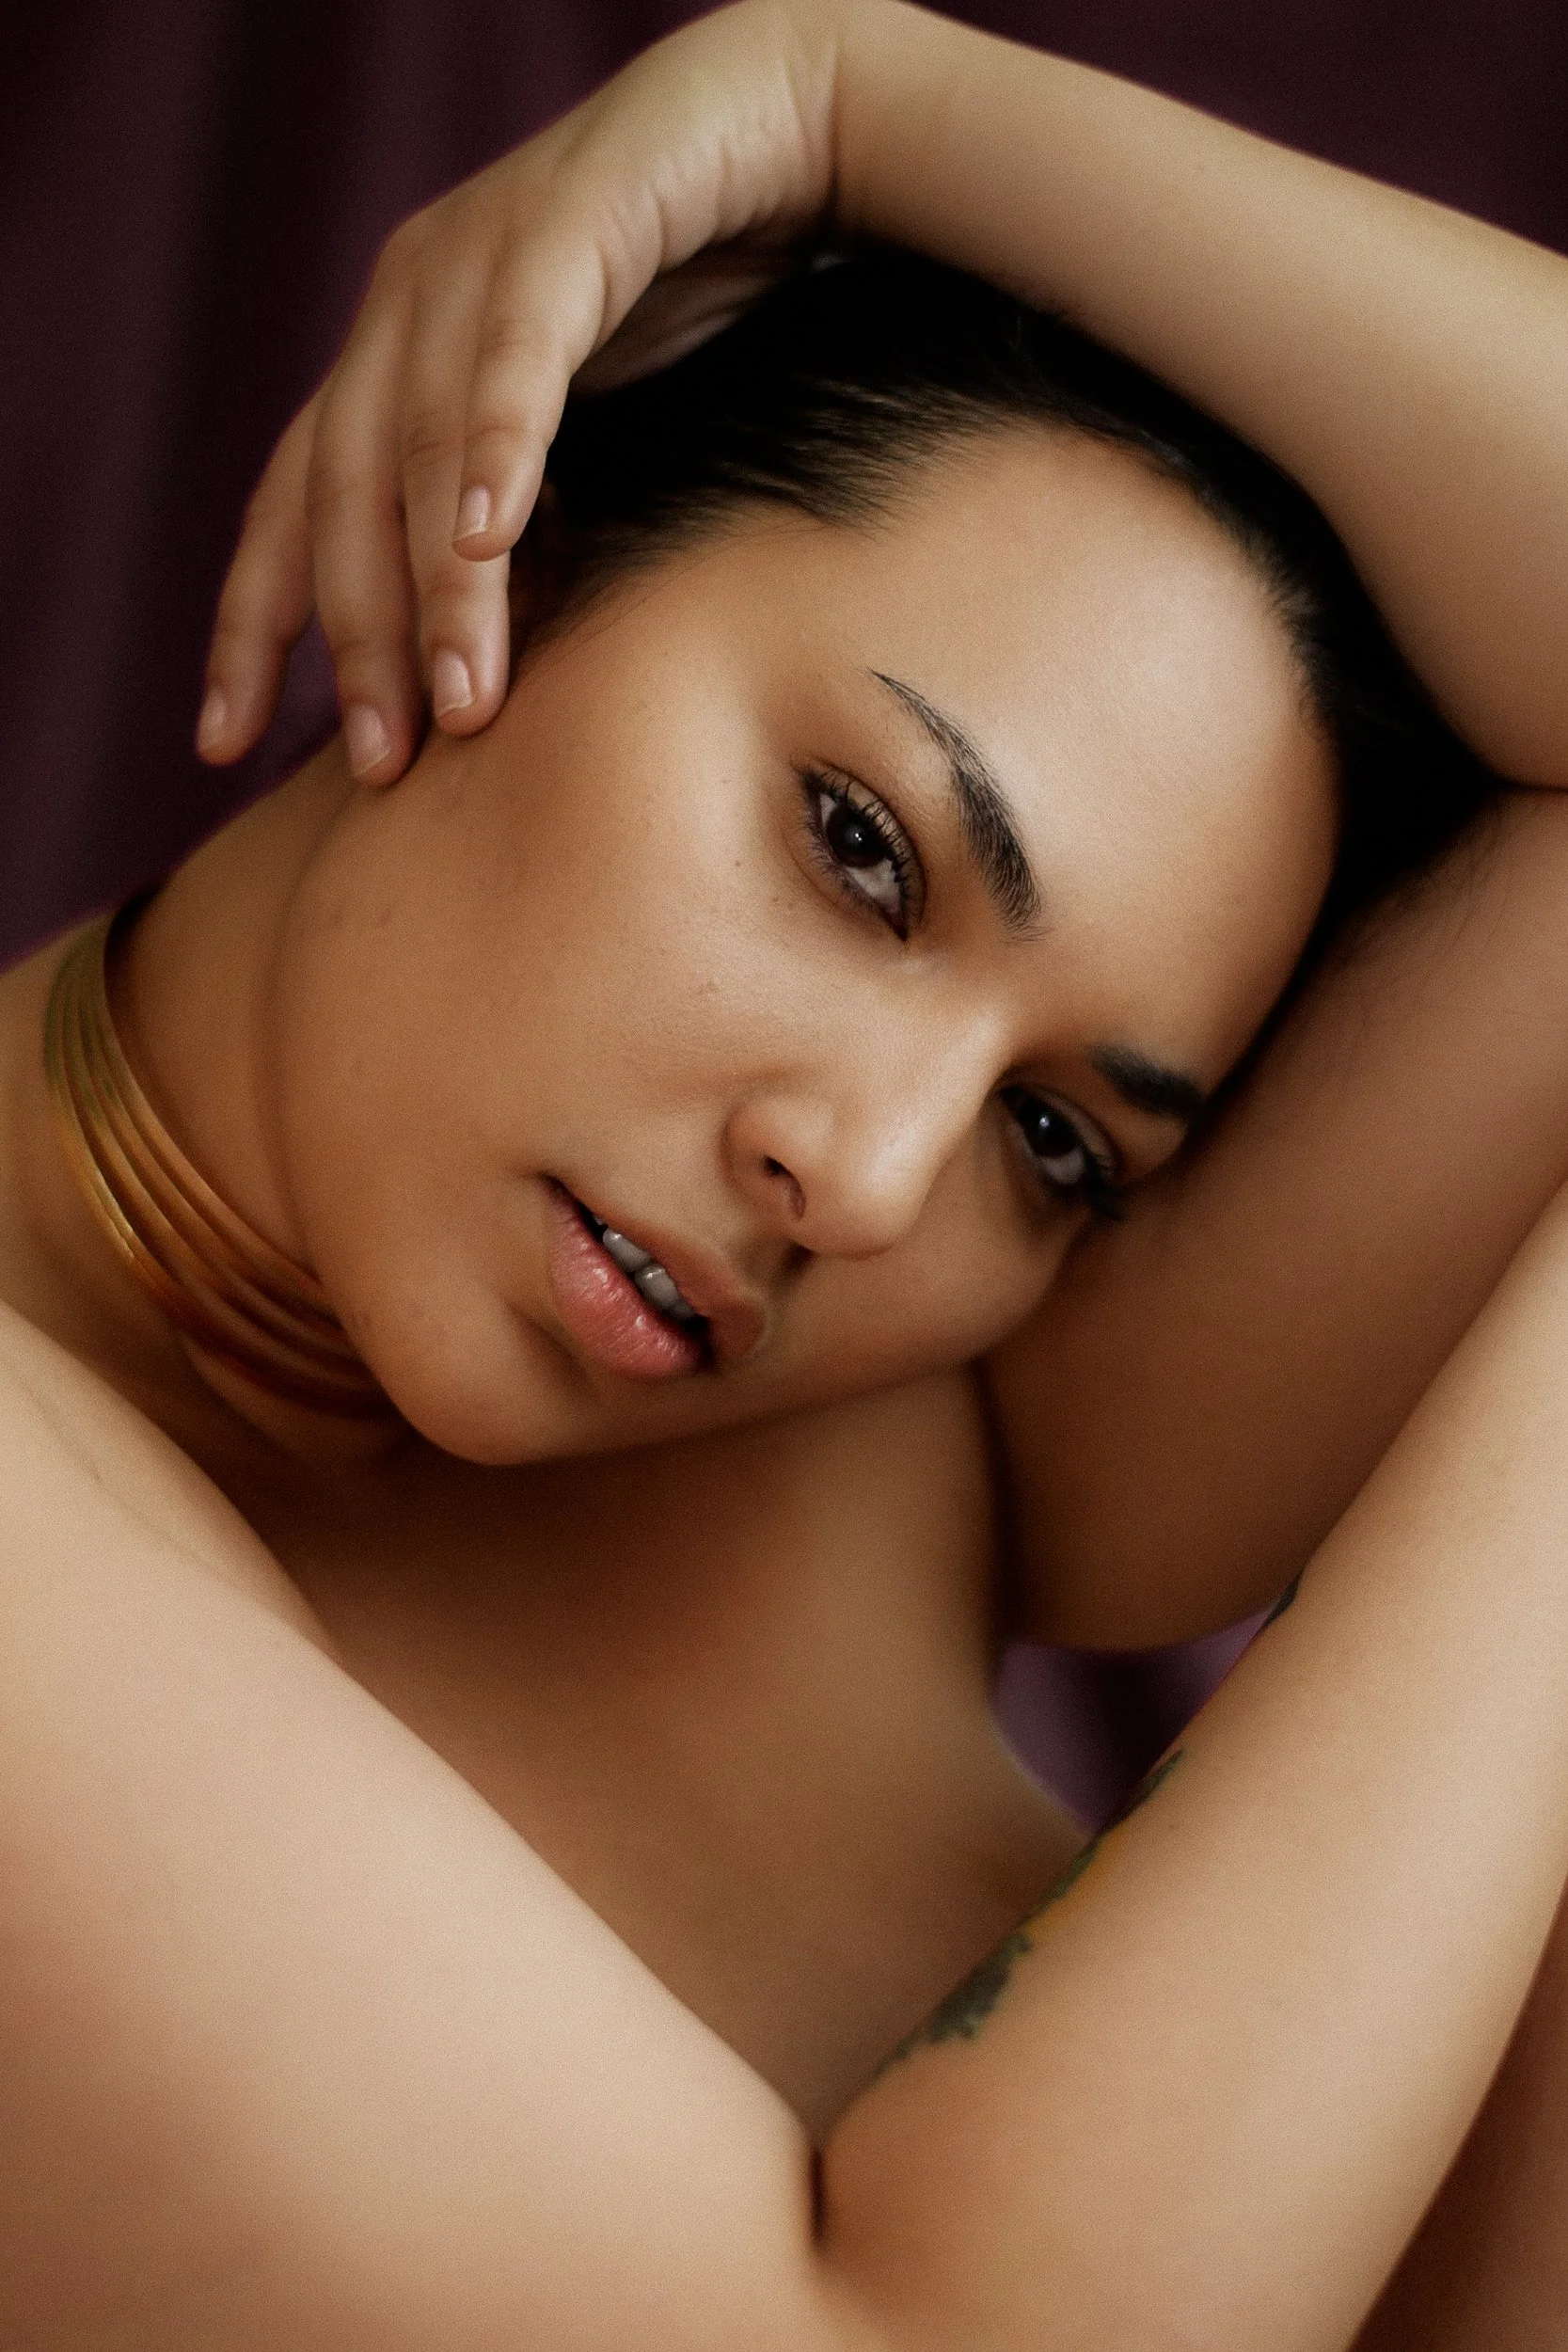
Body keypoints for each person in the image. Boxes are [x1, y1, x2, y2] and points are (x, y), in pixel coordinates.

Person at [4, 4, 1568, 2345]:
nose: (858, 1170)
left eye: (1057, 1135)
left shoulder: (927, 1404)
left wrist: (854, 96)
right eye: (859, 852)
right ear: (504, 519)